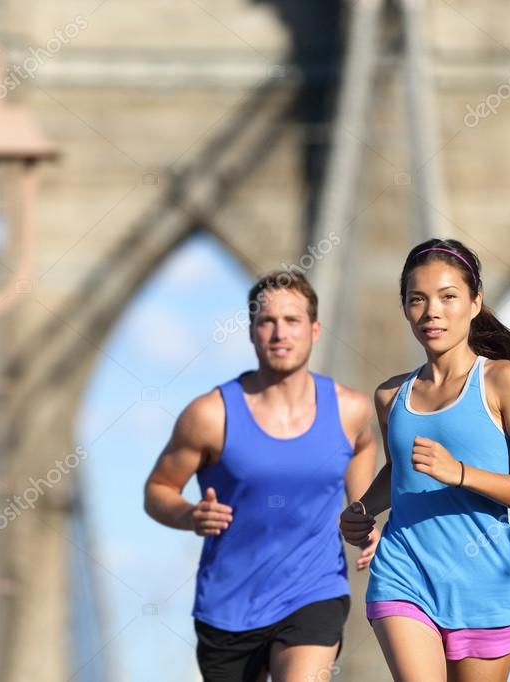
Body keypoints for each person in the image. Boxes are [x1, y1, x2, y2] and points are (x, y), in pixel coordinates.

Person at [340, 238, 510, 682]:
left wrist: (461, 473)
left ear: (474, 302)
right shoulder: (391, 396)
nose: (433, 311)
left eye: (448, 297)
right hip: (403, 572)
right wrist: (363, 509)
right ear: (405, 308)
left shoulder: (504, 380)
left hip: (483, 587)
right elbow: (401, 472)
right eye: (417, 300)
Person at [144, 270, 378, 682]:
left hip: (314, 590)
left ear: (315, 329)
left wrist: (361, 510)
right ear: (251, 332)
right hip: (228, 607)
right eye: (266, 321)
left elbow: (363, 445)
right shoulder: (210, 415)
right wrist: (189, 516)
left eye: (292, 321)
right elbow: (158, 490)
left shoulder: (349, 409)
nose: (279, 333)